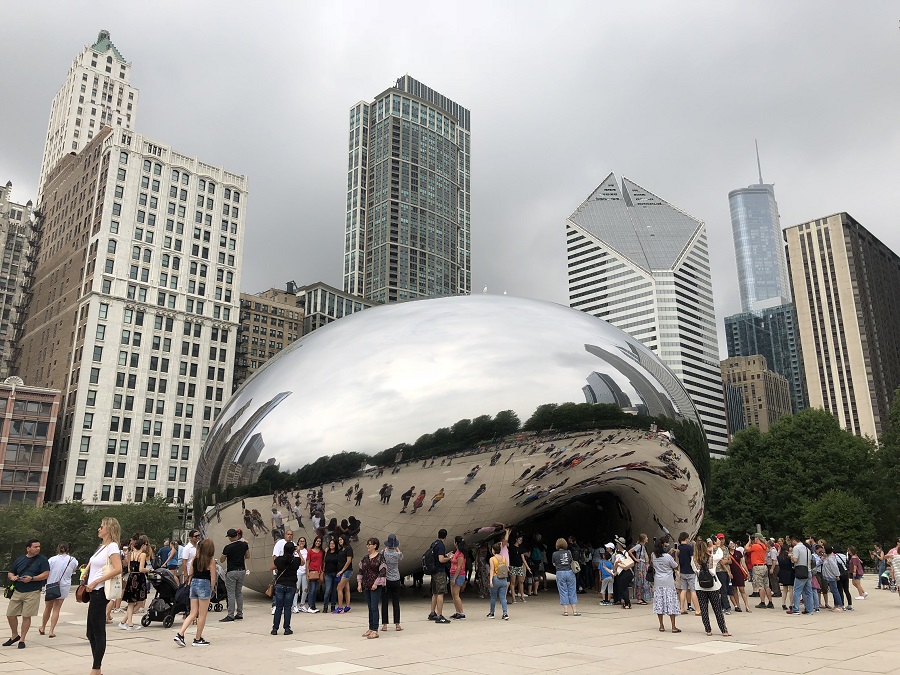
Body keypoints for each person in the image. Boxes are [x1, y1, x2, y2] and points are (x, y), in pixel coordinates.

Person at [84, 518, 123, 675]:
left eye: (102, 527)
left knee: (98, 630)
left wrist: (96, 581)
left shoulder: (112, 546)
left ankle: (96, 668)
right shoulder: (102, 547)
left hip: (100, 590)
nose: (99, 529)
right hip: (94, 590)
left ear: (109, 529)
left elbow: (118, 568)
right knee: (90, 632)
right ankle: (97, 667)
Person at [5, 539, 50, 650]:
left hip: (33, 591)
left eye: (39, 546)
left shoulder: (42, 560)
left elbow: (46, 574)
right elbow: (11, 572)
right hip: (18, 590)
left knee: (26, 615)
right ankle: (14, 635)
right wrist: (12, 577)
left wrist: (32, 578)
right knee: (10, 614)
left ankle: (22, 639)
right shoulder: (20, 559)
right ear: (28, 548)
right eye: (35, 547)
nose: (38, 548)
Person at [174, 538, 215, 647]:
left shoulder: (195, 559)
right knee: (202, 615)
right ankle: (197, 638)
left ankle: (180, 633)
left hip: (194, 584)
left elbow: (191, 573)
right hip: (204, 584)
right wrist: (211, 589)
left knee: (192, 613)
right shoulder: (210, 561)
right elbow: (213, 578)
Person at [692, 541, 731, 637]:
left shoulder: (693, 560)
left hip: (700, 586)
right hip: (712, 586)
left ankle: (708, 630)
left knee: (704, 609)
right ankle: (723, 630)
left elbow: (695, 570)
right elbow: (720, 554)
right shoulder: (712, 558)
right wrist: (717, 546)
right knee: (717, 609)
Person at [39, 543, 78, 638]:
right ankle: (51, 630)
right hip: (64, 586)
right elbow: (73, 570)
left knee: (48, 608)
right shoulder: (73, 560)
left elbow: (47, 571)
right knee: (57, 609)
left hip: (51, 585)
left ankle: (43, 627)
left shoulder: (51, 560)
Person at [357, 537, 386, 639]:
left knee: (374, 607)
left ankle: (375, 629)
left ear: (375, 546)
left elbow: (382, 571)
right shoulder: (365, 558)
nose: (368, 546)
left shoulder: (380, 557)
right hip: (366, 584)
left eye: (370, 544)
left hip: (375, 586)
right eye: (367, 544)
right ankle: (371, 627)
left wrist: (376, 583)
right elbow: (361, 570)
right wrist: (359, 583)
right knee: (370, 607)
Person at [271, 541, 301, 635]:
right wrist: (299, 552)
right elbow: (303, 562)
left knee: (279, 607)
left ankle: (275, 629)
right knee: (288, 607)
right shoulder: (296, 560)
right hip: (291, 585)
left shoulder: (279, 559)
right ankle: (287, 628)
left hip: (280, 584)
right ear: (293, 550)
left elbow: (271, 567)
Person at [120, 536, 150, 630]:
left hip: (131, 576)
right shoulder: (142, 555)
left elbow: (129, 568)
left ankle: (125, 621)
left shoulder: (131, 554)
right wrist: (149, 570)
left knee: (131, 602)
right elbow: (141, 569)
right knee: (140, 601)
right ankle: (129, 623)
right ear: (142, 545)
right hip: (139, 578)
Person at [219, 529, 249, 622]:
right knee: (239, 592)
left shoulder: (228, 547)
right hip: (241, 570)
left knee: (231, 593)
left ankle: (230, 614)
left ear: (230, 537)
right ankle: (240, 613)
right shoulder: (244, 544)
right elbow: (247, 556)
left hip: (232, 571)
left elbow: (222, 560)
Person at [651, 538, 680, 632]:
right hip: (668, 581)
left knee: (659, 603)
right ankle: (673, 626)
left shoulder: (653, 556)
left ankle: (661, 625)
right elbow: (675, 565)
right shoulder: (668, 557)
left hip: (658, 581)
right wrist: (675, 555)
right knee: (671, 603)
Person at [427, 529, 452, 624]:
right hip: (440, 571)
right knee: (440, 593)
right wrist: (449, 558)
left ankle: (432, 612)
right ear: (445, 536)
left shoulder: (434, 544)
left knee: (435, 593)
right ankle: (439, 615)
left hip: (433, 571)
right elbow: (441, 559)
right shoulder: (441, 545)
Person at [786, 535, 815, 615]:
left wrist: (790, 556)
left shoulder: (796, 548)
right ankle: (809, 609)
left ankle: (796, 609)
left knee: (797, 590)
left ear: (794, 541)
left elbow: (795, 560)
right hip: (808, 570)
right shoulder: (807, 549)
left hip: (800, 571)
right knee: (808, 591)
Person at [380, 534, 403, 631]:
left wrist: (386, 548)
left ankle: (384, 625)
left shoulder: (383, 553)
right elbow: (401, 555)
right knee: (396, 602)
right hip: (396, 579)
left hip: (386, 580)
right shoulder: (397, 554)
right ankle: (397, 624)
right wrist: (397, 548)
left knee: (384, 602)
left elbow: (382, 553)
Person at [552, 538, 578, 616]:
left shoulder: (554, 554)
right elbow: (571, 561)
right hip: (570, 572)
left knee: (563, 591)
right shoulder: (568, 552)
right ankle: (575, 611)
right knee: (572, 591)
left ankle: (565, 611)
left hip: (560, 572)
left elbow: (554, 564)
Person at [745, 534, 772, 609]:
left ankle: (762, 602)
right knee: (767, 585)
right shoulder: (764, 546)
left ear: (757, 538)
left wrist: (749, 541)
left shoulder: (756, 546)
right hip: (764, 566)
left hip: (757, 567)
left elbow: (746, 549)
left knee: (760, 586)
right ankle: (770, 602)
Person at [676, 532, 699, 614]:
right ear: (686, 539)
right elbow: (692, 560)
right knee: (693, 590)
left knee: (683, 590)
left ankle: (681, 608)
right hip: (690, 571)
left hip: (682, 571)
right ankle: (697, 610)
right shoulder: (689, 548)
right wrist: (695, 569)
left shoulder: (679, 548)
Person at [488, 542, 510, 619]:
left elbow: (491, 570)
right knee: (503, 597)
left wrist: (490, 580)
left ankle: (492, 613)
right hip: (504, 579)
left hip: (495, 578)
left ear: (493, 550)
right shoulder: (504, 559)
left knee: (493, 597)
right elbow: (507, 569)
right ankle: (505, 613)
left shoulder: (492, 559)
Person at [448, 536, 467, 619]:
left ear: (456, 543)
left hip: (458, 575)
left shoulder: (460, 554)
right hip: (453, 573)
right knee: (453, 594)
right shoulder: (457, 552)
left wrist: (454, 578)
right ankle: (457, 611)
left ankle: (461, 613)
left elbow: (459, 567)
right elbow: (454, 561)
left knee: (456, 595)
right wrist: (450, 557)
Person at [508, 533, 530, 603]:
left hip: (520, 566)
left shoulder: (521, 549)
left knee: (521, 581)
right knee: (513, 582)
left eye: (521, 540)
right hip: (513, 566)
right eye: (519, 539)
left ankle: (522, 596)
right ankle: (513, 597)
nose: (521, 541)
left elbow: (523, 558)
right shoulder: (511, 547)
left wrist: (527, 567)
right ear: (516, 539)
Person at [821, 546, 844, 612]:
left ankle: (839, 605)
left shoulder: (830, 559)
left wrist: (837, 575)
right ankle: (837, 605)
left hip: (831, 576)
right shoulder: (829, 557)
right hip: (829, 575)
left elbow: (834, 567)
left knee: (835, 591)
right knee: (834, 591)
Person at [630, 534, 651, 605]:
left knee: (643, 581)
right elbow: (630, 551)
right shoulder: (639, 546)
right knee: (639, 580)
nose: (647, 538)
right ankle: (639, 598)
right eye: (646, 537)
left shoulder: (643, 546)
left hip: (643, 565)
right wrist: (635, 559)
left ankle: (642, 597)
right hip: (639, 565)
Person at [613, 537, 633, 610]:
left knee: (622, 588)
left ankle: (627, 603)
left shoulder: (620, 554)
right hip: (626, 572)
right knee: (624, 588)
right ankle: (627, 603)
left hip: (624, 572)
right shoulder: (624, 553)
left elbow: (616, 564)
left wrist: (615, 568)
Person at [335, 535, 354, 614]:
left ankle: (340, 607)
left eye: (341, 539)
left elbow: (349, 560)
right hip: (342, 571)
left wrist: (342, 571)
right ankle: (348, 606)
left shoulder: (348, 548)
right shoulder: (340, 549)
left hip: (347, 571)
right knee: (346, 589)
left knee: (339, 588)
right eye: (339, 540)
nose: (340, 541)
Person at [713, 535, 732, 613]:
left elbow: (729, 560)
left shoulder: (726, 548)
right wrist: (728, 571)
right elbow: (721, 562)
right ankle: (727, 606)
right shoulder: (715, 549)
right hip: (720, 570)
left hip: (726, 570)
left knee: (726, 589)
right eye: (720, 539)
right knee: (723, 589)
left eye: (722, 539)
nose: (721, 540)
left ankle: (722, 605)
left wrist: (727, 562)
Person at [305, 536, 324, 614]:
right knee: (312, 589)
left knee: (315, 589)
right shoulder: (310, 551)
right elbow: (307, 562)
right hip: (312, 571)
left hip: (318, 572)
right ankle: (310, 606)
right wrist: (307, 573)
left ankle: (313, 605)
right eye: (317, 541)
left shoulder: (322, 551)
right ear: (314, 542)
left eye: (319, 541)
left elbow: (323, 562)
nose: (318, 543)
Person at [323, 538, 341, 613]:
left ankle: (333, 606)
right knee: (327, 590)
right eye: (330, 544)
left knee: (334, 591)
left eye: (333, 544)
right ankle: (325, 606)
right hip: (328, 573)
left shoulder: (338, 553)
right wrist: (323, 571)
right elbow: (324, 561)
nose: (331, 545)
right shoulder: (327, 552)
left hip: (335, 573)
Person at [777, 542, 794, 610]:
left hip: (782, 572)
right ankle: (791, 604)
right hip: (789, 572)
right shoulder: (789, 557)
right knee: (791, 589)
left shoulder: (779, 557)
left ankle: (783, 603)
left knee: (784, 589)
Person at [295, 536, 309, 612]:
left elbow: (308, 562)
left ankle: (302, 604)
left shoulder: (306, 551)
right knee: (296, 589)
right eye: (300, 541)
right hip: (297, 572)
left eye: (303, 541)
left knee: (305, 589)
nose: (302, 542)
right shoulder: (295, 551)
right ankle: (294, 605)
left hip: (304, 572)